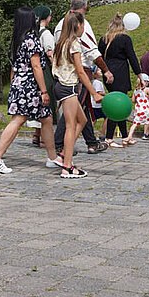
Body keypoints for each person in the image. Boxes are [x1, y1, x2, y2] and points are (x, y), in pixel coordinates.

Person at [0, 8, 60, 174]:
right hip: (30, 87)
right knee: (18, 120)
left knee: (46, 118)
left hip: (20, 84)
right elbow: (36, 66)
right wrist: (44, 91)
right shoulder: (31, 39)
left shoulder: (18, 39)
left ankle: (52, 157)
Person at [53, 0, 112, 154]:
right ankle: (60, 146)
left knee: (82, 109)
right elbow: (91, 51)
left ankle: (91, 142)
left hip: (63, 74)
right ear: (85, 7)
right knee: (71, 112)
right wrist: (105, 70)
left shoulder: (60, 24)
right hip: (76, 75)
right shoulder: (79, 24)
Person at [50, 12, 101, 178]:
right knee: (71, 126)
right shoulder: (74, 44)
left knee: (83, 120)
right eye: (83, 25)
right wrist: (94, 93)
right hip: (68, 87)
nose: (84, 28)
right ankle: (67, 167)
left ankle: (66, 151)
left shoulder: (61, 42)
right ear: (77, 26)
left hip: (60, 85)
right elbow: (80, 70)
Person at [99, 14, 142, 141]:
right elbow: (132, 57)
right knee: (118, 105)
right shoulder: (124, 39)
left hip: (107, 71)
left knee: (119, 102)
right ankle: (109, 137)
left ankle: (124, 136)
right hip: (120, 72)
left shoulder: (103, 39)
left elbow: (98, 56)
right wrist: (139, 74)